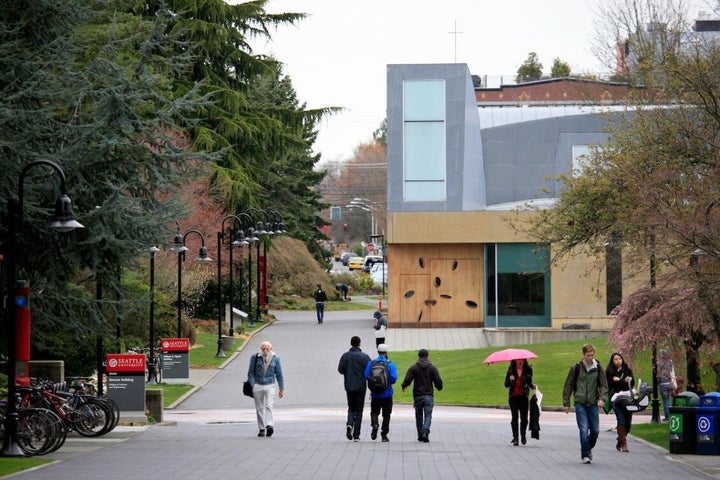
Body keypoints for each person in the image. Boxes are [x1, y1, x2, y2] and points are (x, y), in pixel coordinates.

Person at [562, 343, 608, 464]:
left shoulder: (598, 368)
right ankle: (586, 455)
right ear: (583, 354)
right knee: (583, 429)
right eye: (588, 355)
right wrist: (566, 403)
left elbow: (604, 385)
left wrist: (602, 399)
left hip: (593, 403)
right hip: (580, 403)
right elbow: (568, 385)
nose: (590, 357)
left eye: (592, 355)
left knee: (595, 431)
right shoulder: (576, 367)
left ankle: (587, 448)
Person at [401, 348, 443, 442]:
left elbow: (408, 379)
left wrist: (404, 385)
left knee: (418, 415)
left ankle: (420, 434)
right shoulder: (432, 368)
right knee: (428, 414)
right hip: (428, 395)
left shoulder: (414, 367)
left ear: (419, 356)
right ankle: (425, 431)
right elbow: (438, 381)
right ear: (427, 356)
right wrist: (439, 387)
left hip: (418, 395)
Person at [247, 341, 284, 437]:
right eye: (263, 348)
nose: (265, 350)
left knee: (269, 405)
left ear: (271, 349)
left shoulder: (276, 358)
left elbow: (279, 374)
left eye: (267, 348)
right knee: (259, 408)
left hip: (270, 385)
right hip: (257, 385)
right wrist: (252, 384)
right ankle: (261, 428)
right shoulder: (255, 357)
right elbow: (250, 373)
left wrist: (281, 388)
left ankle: (269, 425)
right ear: (261, 348)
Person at [337, 336, 371, 441]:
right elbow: (369, 371)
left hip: (349, 386)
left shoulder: (345, 356)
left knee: (351, 407)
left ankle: (349, 424)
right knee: (359, 410)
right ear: (359, 343)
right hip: (361, 387)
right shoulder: (364, 357)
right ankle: (356, 434)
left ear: (351, 343)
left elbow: (340, 369)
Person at [364, 343, 398, 442]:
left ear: (378, 351)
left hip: (375, 394)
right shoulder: (390, 364)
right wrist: (387, 383)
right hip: (387, 393)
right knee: (386, 414)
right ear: (386, 352)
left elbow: (366, 375)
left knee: (374, 412)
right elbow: (394, 378)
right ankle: (384, 434)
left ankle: (375, 425)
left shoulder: (372, 363)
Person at [606, 352, 634, 452]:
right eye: (615, 359)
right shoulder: (610, 371)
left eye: (619, 358)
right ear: (612, 361)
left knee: (628, 422)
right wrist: (623, 381)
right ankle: (624, 443)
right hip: (616, 399)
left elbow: (632, 382)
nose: (618, 360)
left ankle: (620, 439)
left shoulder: (627, 370)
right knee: (621, 419)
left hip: (627, 399)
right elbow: (612, 383)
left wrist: (622, 380)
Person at [504, 358, 534, 446]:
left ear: (524, 361)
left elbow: (529, 383)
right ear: (514, 361)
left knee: (524, 419)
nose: (520, 361)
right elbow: (506, 385)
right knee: (515, 417)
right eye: (518, 360)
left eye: (522, 360)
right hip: (513, 397)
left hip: (523, 397)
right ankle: (516, 437)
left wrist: (533, 386)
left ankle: (523, 435)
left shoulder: (528, 370)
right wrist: (510, 380)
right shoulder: (511, 371)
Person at [657, 349, 676, 422]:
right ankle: (670, 416)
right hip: (669, 383)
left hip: (663, 384)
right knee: (668, 400)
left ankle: (667, 417)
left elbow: (658, 374)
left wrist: (658, 382)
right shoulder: (670, 362)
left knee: (665, 400)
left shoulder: (659, 363)